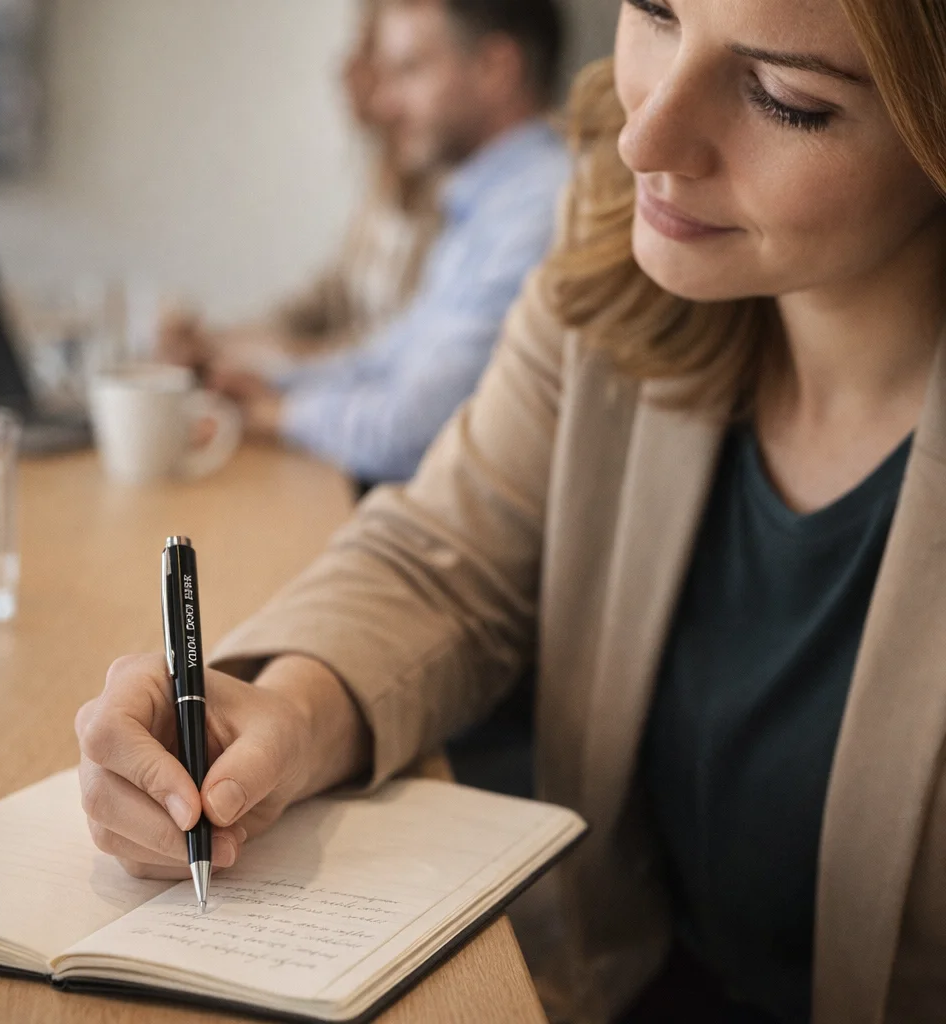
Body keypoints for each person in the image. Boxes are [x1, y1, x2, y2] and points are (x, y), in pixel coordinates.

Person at [73, 0, 946, 1019]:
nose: (642, 136)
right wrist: (280, 709)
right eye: (656, 13)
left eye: (783, 98)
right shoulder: (618, 254)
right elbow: (444, 552)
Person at [173, 0, 570, 486]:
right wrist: (269, 382)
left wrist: (278, 412)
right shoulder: (482, 202)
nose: (384, 103)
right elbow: (392, 357)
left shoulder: (537, 210)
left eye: (410, 70)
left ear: (495, 68)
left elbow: (417, 430)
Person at [161, 0, 442, 375]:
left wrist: (272, 357)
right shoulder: (391, 171)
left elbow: (397, 358)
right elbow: (331, 294)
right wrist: (223, 340)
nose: (347, 71)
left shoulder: (456, 183)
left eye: (380, 56)